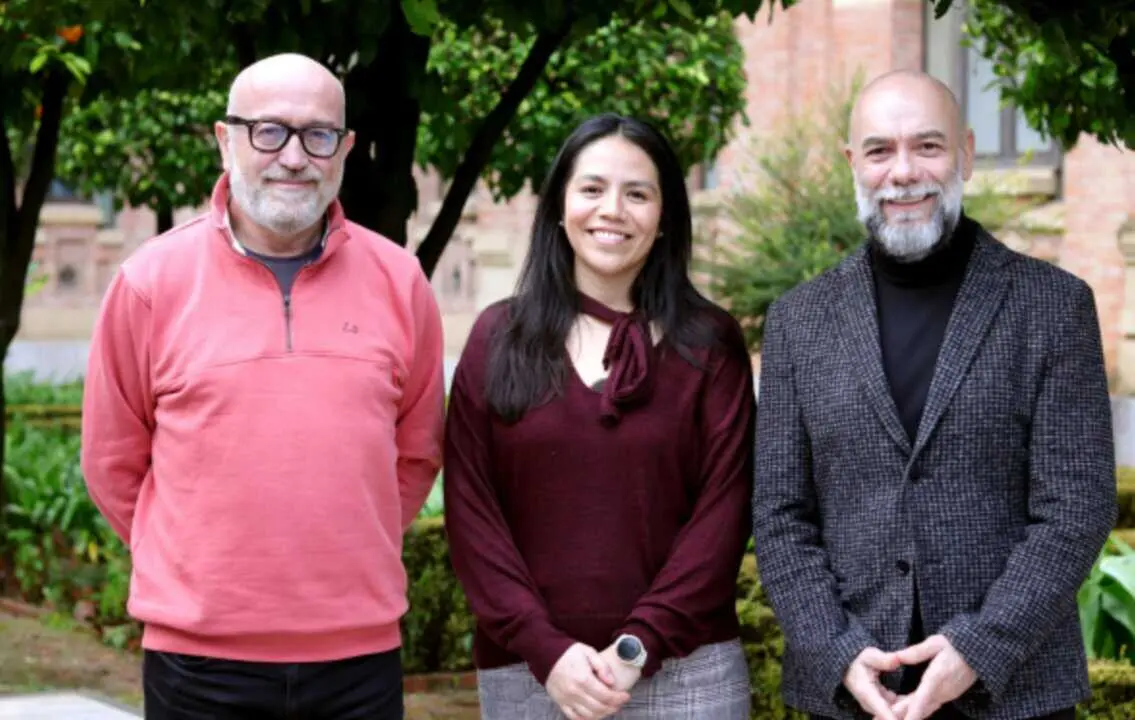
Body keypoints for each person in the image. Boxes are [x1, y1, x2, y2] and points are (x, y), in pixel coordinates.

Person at [80, 52, 445, 719]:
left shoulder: (401, 283)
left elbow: (416, 453)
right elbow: (111, 461)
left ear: (346, 149)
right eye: (268, 131)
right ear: (226, 140)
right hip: (199, 666)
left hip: (357, 662)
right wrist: (199, 561)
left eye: (318, 134)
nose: (294, 157)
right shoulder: (148, 284)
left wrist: (339, 543)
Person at [751, 68, 1117, 720]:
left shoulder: (1053, 307)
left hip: (1015, 695)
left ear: (966, 154)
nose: (901, 172)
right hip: (850, 698)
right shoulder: (796, 321)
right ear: (851, 164)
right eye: (878, 150)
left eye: (927, 145)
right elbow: (779, 518)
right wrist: (836, 652)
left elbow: (1075, 510)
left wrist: (977, 648)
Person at [443, 113, 755, 720]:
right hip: (530, 677)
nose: (612, 210)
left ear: (664, 219)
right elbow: (471, 516)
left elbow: (725, 513)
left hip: (690, 679)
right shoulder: (496, 339)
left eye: (637, 193)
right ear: (560, 206)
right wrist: (548, 653)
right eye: (592, 189)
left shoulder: (710, 344)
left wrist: (637, 648)